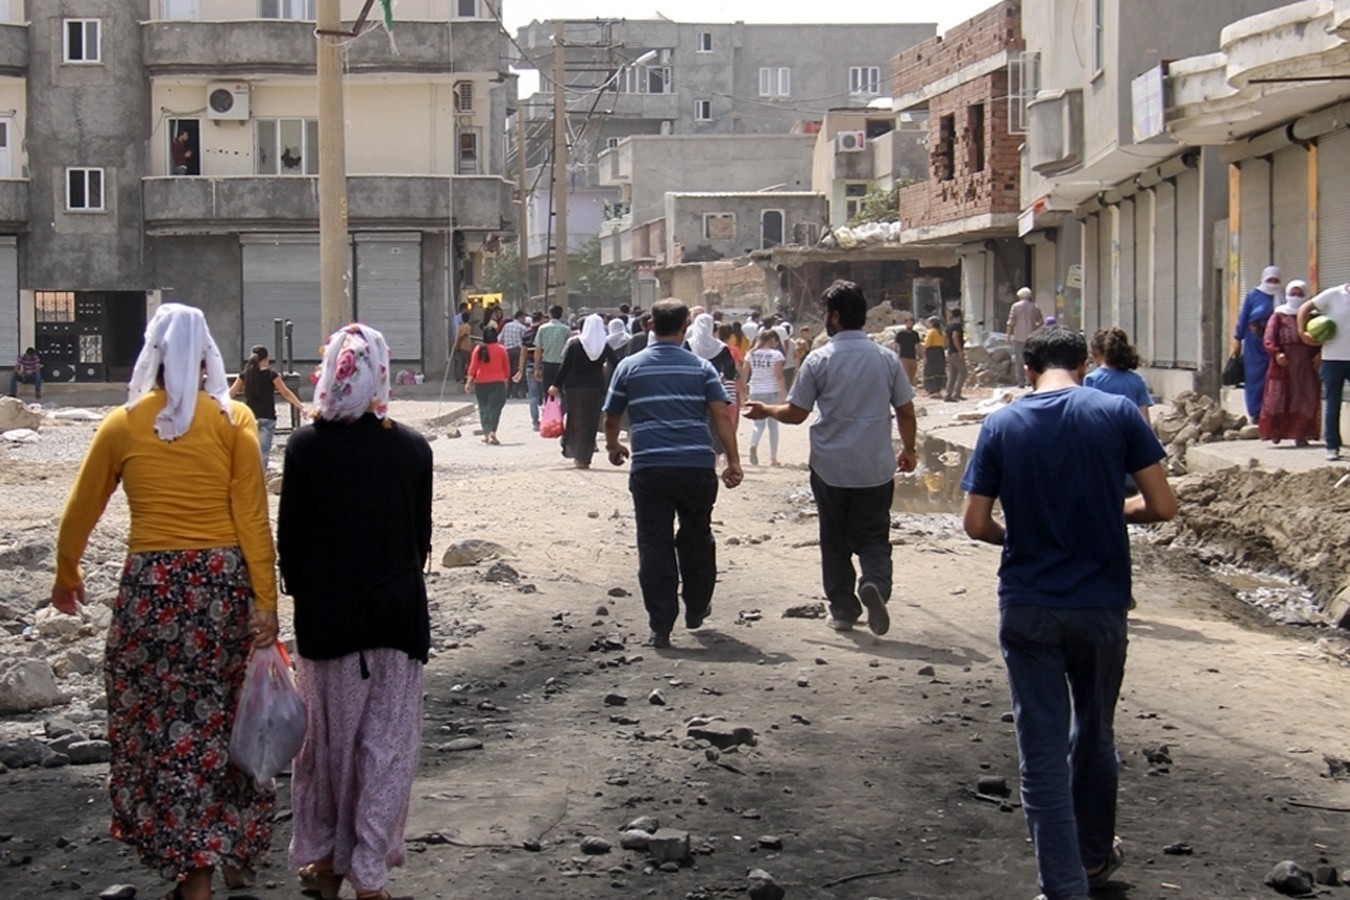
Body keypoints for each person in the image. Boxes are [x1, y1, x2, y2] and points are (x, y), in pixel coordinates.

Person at [51, 303, 278, 900]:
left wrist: (66, 573)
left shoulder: (122, 425)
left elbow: (82, 509)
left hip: (151, 592)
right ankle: (228, 844)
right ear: (206, 354)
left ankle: (194, 869)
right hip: (221, 588)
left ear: (148, 353)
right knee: (226, 719)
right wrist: (265, 601)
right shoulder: (236, 422)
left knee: (161, 724)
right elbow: (252, 517)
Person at [960, 326, 1177, 900]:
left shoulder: (1002, 424)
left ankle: (1063, 887)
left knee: (1041, 751)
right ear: (1084, 364)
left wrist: (1022, 536)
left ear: (1027, 371)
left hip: (1029, 605)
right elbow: (1162, 504)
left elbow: (976, 523)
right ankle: (1093, 857)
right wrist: (1110, 512)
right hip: (1102, 604)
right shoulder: (1119, 412)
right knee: (1095, 734)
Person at [278, 323, 432, 900]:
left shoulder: (306, 447)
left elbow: (289, 539)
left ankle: (323, 860)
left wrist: (311, 593)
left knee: (326, 748)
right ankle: (370, 874)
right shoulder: (414, 448)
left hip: (327, 622)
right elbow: (420, 540)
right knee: (387, 748)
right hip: (397, 617)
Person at [746, 280, 918, 636]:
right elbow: (906, 410)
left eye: (825, 313)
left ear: (835, 317)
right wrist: (910, 449)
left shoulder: (819, 360)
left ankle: (843, 608)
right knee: (874, 535)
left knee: (835, 538)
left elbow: (796, 413)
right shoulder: (886, 359)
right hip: (875, 465)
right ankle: (875, 584)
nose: (824, 318)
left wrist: (766, 409)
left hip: (831, 467)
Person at [602, 299, 743, 648]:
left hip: (650, 468)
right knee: (697, 536)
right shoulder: (701, 368)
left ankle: (661, 625)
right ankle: (696, 607)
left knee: (654, 543)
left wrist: (613, 447)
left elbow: (611, 416)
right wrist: (733, 461)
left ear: (650, 325)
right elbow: (721, 415)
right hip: (696, 467)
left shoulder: (629, 367)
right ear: (685, 330)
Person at [550, 314, 618, 468]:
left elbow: (565, 366)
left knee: (575, 420)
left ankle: (573, 450)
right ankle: (584, 457)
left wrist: (556, 385)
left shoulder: (575, 344)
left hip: (574, 388)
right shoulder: (603, 346)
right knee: (591, 421)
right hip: (595, 388)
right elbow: (617, 364)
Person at [1260, 280, 1320, 447]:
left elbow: (1321, 339)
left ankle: (1300, 434)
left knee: (1305, 397)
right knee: (1278, 397)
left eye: (1300, 294)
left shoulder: (1312, 316)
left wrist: (1320, 355)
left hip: (1306, 363)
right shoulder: (1279, 315)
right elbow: (1269, 338)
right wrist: (1277, 352)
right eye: (1293, 293)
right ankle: (1276, 431)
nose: (1296, 297)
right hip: (1283, 362)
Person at [1297, 280, 1350, 460]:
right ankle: (1332, 446)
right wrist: (1302, 333)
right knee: (1333, 405)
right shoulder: (1335, 294)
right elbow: (1305, 308)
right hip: (1333, 359)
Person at [230, 344, 305, 469]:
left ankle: (247, 478)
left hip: (250, 418)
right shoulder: (272, 374)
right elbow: (285, 392)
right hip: (267, 417)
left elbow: (231, 393)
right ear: (266, 359)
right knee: (263, 453)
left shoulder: (244, 374)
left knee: (248, 451)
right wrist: (301, 406)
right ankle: (260, 481)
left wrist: (217, 405)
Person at [688, 313, 745, 461]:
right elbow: (730, 370)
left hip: (693, 389)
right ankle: (714, 455)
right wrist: (721, 378)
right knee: (714, 422)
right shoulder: (720, 347)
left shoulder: (689, 344)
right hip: (714, 388)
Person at [1234, 265, 1281, 422]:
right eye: (1270, 280)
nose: (1273, 284)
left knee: (1273, 376)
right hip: (1255, 342)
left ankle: (1272, 412)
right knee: (1254, 377)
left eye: (1276, 280)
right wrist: (1237, 339)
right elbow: (1244, 318)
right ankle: (1255, 412)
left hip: (1275, 342)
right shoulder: (1253, 296)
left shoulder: (1281, 296)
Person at [1085, 328, 1153, 424]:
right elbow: (1145, 420)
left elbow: (1087, 416)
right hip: (1130, 435)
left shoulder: (1092, 379)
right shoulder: (1137, 380)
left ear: (1096, 352)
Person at [743, 327, 787, 467]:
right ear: (772, 340)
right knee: (773, 426)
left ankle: (754, 444)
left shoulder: (751, 354)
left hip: (756, 390)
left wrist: (744, 393)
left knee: (758, 424)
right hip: (772, 391)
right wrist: (783, 393)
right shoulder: (776, 355)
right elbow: (779, 376)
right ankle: (773, 458)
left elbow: (744, 375)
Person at [466, 326, 511, 445]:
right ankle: (492, 433)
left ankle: (486, 434)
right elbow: (506, 368)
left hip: (480, 383)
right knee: (495, 408)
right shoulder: (501, 349)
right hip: (497, 382)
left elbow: (473, 367)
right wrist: (506, 381)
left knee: (483, 408)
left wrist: (468, 383)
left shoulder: (478, 349)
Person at [1007, 287, 1044, 388]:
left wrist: (1008, 335)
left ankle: (1021, 382)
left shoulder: (1015, 306)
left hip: (1019, 336)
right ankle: (1030, 380)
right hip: (1032, 336)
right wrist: (1036, 326)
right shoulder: (1035, 306)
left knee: (1019, 359)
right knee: (1031, 358)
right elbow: (1041, 321)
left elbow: (1011, 322)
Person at [534, 304, 572, 398]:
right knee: (563, 393)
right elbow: (569, 349)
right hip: (563, 365)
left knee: (548, 392)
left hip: (548, 364)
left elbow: (538, 350)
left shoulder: (542, 329)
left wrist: (537, 368)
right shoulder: (566, 329)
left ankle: (549, 411)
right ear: (561, 314)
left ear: (550, 314)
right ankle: (563, 412)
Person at [500, 310, 528, 399]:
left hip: (507, 351)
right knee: (518, 371)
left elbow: (500, 338)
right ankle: (516, 392)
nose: (524, 320)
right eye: (523, 318)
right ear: (520, 317)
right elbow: (525, 341)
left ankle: (507, 392)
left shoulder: (506, 326)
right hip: (518, 351)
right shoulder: (522, 328)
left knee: (509, 371)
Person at [945, 308, 967, 402]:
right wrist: (960, 351)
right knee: (963, 372)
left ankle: (948, 394)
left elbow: (946, 338)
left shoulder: (949, 325)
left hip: (950, 351)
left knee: (953, 374)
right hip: (956, 352)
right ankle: (956, 393)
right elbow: (955, 337)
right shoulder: (957, 325)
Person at [923, 315, 947, 397]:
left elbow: (927, 344)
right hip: (940, 352)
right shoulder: (941, 332)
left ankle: (933, 391)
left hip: (932, 353)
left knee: (931, 370)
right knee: (939, 370)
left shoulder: (931, 332)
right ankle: (938, 390)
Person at [894, 315, 920, 387]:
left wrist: (922, 355)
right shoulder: (901, 334)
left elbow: (918, 345)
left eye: (911, 323)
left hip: (913, 357)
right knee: (906, 376)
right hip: (903, 357)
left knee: (912, 376)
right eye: (908, 323)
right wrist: (895, 355)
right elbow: (896, 345)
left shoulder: (915, 334)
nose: (910, 324)